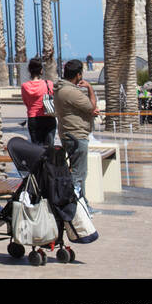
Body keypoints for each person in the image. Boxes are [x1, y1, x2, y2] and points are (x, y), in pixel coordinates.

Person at [55, 59, 98, 199]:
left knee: (77, 172)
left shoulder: (60, 88)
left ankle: (82, 204)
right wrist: (90, 88)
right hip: (77, 135)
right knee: (78, 174)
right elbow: (91, 106)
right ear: (78, 75)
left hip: (68, 134)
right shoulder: (71, 92)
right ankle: (75, 205)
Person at [20, 58, 56, 146]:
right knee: (49, 146)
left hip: (33, 118)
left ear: (29, 70)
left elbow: (26, 102)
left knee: (36, 147)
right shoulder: (48, 84)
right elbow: (53, 97)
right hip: (48, 116)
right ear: (41, 70)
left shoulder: (25, 86)